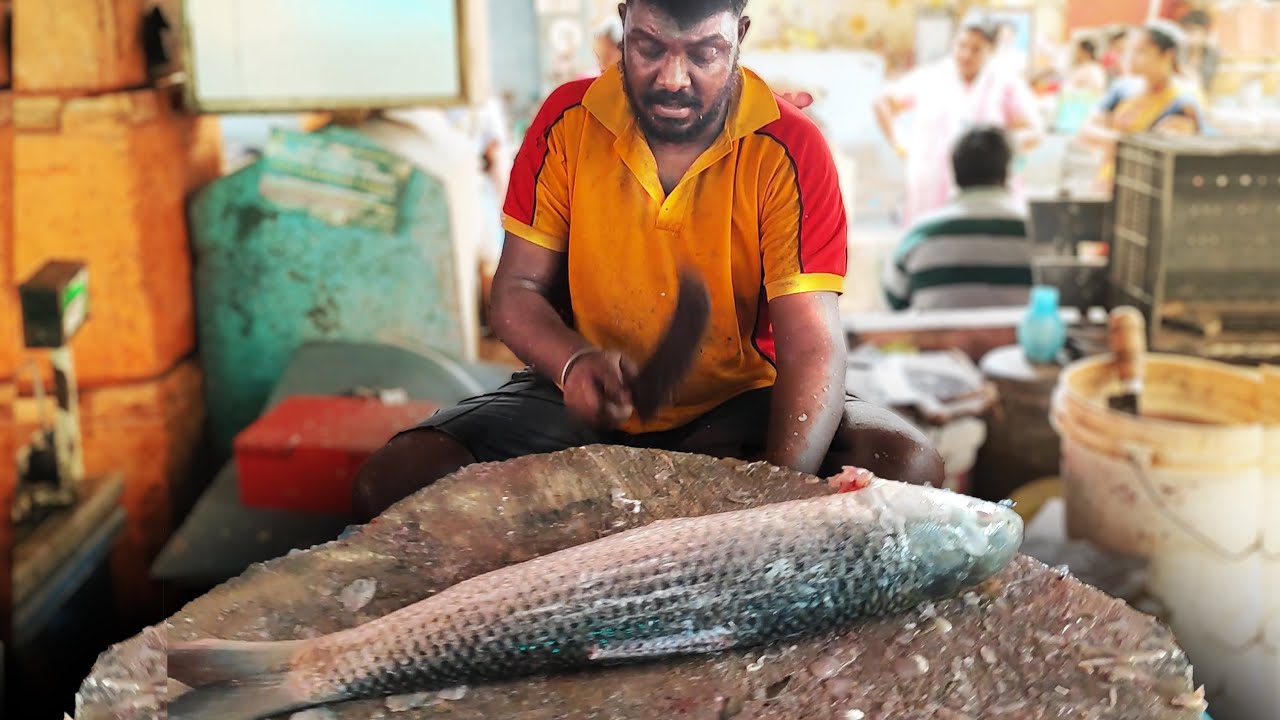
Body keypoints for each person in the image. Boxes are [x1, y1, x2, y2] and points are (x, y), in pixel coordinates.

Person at [350, 0, 945, 521]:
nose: (673, 79)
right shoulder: (567, 122)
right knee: (397, 480)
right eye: (649, 47)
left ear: (740, 35)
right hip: (580, 401)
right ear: (622, 26)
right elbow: (515, 293)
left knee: (907, 463)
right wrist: (572, 362)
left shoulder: (789, 147)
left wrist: (775, 496)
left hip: (737, 404)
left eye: (705, 53)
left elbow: (812, 347)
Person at [873, 19, 1044, 227]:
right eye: (961, 45)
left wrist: (999, 148)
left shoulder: (1005, 85)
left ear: (990, 51)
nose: (966, 55)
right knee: (931, 242)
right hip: (933, 181)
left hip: (986, 186)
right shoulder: (932, 77)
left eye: (976, 49)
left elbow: (1035, 132)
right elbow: (882, 103)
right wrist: (900, 145)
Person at [882, 126, 1033, 312]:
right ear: (1008, 171)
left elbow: (895, 303)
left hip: (934, 340)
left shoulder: (919, 235)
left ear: (955, 171)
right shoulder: (1035, 232)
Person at [1079, 21, 1204, 190]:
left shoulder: (1183, 101)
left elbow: (1168, 151)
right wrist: (1127, 142)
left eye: (1141, 52)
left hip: (1151, 189)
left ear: (1168, 55)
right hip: (1108, 182)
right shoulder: (1123, 88)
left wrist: (1114, 142)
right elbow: (1086, 132)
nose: (1131, 58)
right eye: (1130, 51)